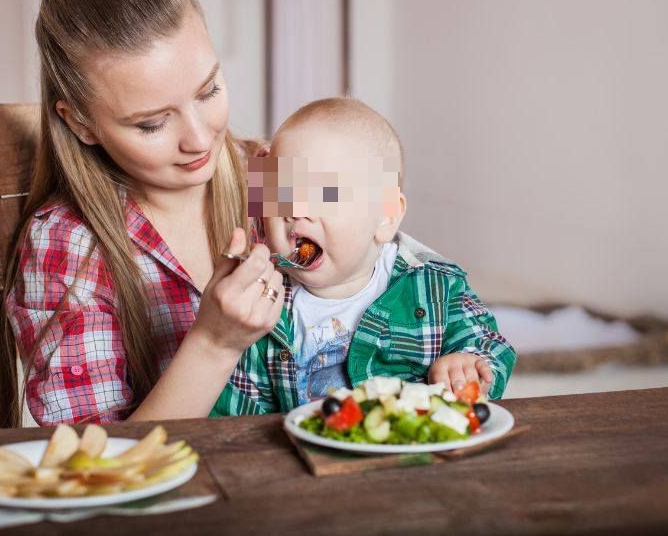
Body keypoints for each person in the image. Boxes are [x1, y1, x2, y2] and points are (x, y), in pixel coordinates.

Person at [4, 0, 284, 426]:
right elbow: (95, 466)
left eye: (209, 91)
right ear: (81, 123)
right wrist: (215, 343)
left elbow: (400, 276)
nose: (198, 139)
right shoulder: (67, 245)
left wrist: (440, 352)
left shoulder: (270, 173)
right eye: (151, 124)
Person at [212, 98, 517, 415]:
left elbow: (489, 343)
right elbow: (238, 410)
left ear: (385, 216)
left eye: (326, 193)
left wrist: (468, 366)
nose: (296, 210)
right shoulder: (263, 307)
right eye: (283, 191)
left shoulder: (435, 286)